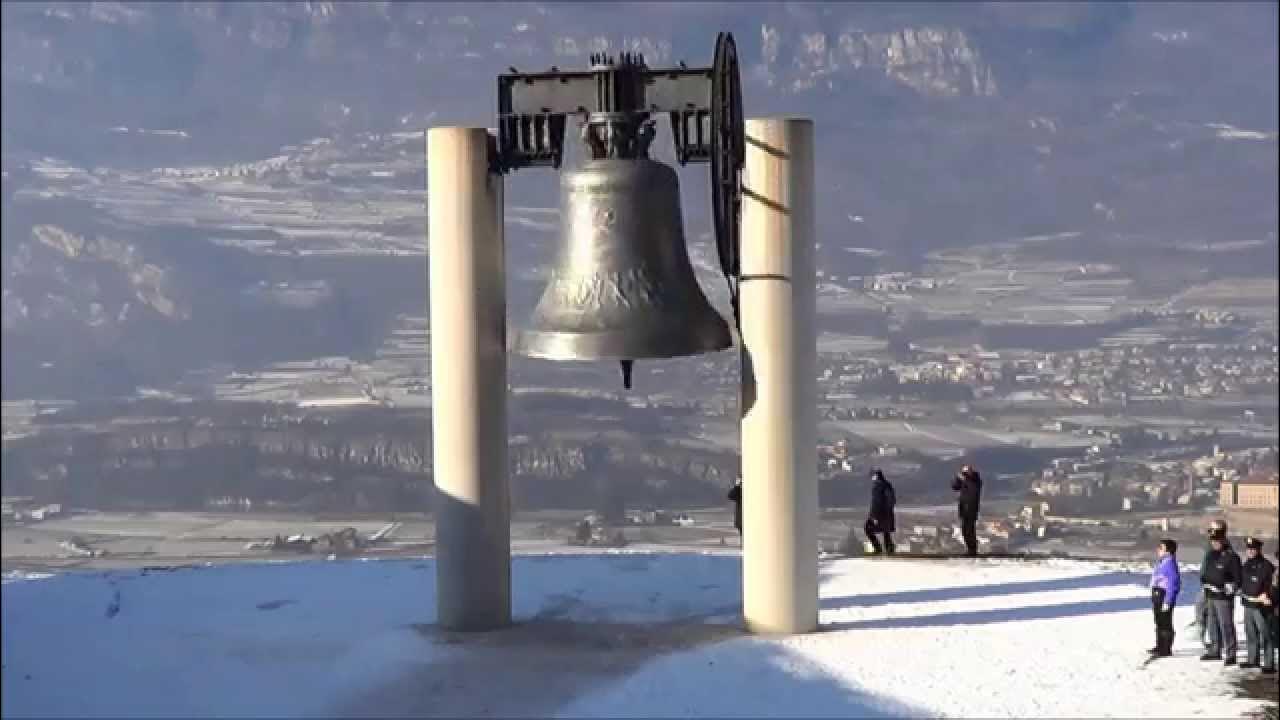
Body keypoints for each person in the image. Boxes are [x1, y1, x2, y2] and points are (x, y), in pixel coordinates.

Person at [1201, 532, 1243, 665]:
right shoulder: (1211, 555)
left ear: (1224, 541)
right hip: (1210, 594)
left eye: (1217, 541)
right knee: (1212, 623)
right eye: (1212, 541)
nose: (1214, 543)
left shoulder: (1232, 557)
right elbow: (1205, 573)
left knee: (1226, 625)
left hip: (1223, 597)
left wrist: (1230, 587)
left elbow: (1237, 578)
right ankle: (1215, 649)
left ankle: (1231, 653)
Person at [1239, 537, 1276, 673]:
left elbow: (1271, 586)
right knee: (1250, 633)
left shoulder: (1266, 566)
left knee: (1265, 634)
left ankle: (1269, 663)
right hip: (1248, 604)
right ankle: (1252, 660)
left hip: (1261, 606)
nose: (1250, 552)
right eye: (1248, 549)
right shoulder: (1246, 565)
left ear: (1259, 550)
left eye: (1253, 549)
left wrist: (1266, 596)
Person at [1192, 519, 1229, 646]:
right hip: (1207, 584)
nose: (1209, 533)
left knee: (1212, 612)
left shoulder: (1223, 547)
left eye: (1212, 530)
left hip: (1216, 586)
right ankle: (1209, 636)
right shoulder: (1211, 544)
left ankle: (1216, 639)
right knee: (1202, 607)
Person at [1148, 538, 1181, 658]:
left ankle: (1166, 647)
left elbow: (1173, 583)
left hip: (1164, 594)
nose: (1158, 550)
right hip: (1157, 593)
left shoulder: (1170, 564)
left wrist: (1168, 600)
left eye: (1161, 548)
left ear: (1168, 551)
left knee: (1165, 621)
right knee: (1158, 621)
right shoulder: (1162, 562)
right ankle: (1159, 644)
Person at [951, 464, 983, 557]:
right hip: (963, 508)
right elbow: (955, 487)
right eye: (964, 472)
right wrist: (957, 478)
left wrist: (964, 479)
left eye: (967, 472)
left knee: (970, 530)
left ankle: (973, 550)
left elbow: (973, 489)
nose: (965, 474)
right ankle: (970, 550)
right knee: (965, 530)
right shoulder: (965, 481)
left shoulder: (976, 481)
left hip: (971, 509)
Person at [864, 469, 897, 555]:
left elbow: (876, 502)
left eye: (872, 476)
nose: (871, 478)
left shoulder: (878, 486)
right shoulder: (886, 485)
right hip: (886, 513)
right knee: (885, 531)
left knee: (868, 528)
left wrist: (874, 515)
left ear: (876, 476)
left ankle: (879, 548)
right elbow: (892, 500)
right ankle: (889, 548)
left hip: (879, 514)